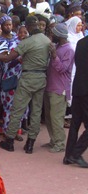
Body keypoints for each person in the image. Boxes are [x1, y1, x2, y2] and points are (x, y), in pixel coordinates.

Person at [0, 15, 51, 154]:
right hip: (41, 77)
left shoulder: (27, 42)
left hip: (28, 77)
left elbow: (7, 58)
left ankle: (10, 141)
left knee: (17, 109)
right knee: (36, 111)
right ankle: (30, 144)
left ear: (29, 27)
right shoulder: (47, 40)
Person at [43, 23, 75, 153]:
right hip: (50, 86)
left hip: (59, 89)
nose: (52, 36)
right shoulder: (57, 46)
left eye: (53, 34)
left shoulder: (69, 50)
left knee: (56, 118)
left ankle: (60, 143)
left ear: (59, 35)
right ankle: (53, 140)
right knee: (49, 117)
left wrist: (55, 55)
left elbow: (62, 69)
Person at [63, 34, 88, 168]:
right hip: (86, 90)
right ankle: (75, 154)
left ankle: (68, 156)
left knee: (75, 124)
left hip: (78, 86)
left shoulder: (81, 42)